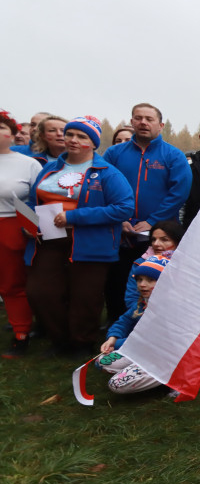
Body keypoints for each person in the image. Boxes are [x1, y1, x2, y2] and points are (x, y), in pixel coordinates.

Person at [24, 116, 134, 357]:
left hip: (89, 242)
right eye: (70, 134)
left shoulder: (107, 173)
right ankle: (59, 339)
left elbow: (124, 207)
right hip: (49, 240)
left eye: (82, 136)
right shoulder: (50, 169)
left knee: (85, 295)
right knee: (40, 291)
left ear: (93, 143)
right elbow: (34, 201)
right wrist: (30, 221)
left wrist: (74, 217)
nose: (73, 140)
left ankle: (81, 342)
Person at [103, 103, 192, 324]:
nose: (143, 122)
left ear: (160, 125)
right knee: (116, 280)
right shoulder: (114, 154)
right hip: (118, 229)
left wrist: (152, 222)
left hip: (157, 235)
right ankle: (117, 328)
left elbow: (179, 191)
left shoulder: (173, 155)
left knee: (154, 284)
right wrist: (120, 218)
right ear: (131, 122)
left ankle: (153, 327)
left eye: (149, 119)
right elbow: (102, 186)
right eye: (138, 118)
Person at [0, 110, 42, 358]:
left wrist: (34, 225)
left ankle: (21, 334)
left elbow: (39, 199)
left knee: (12, 284)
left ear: (13, 134)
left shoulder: (28, 163)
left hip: (12, 225)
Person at [99, 256, 171, 395]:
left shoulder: (172, 307)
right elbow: (124, 322)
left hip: (166, 358)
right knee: (103, 361)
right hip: (143, 352)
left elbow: (152, 341)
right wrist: (112, 339)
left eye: (150, 280)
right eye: (139, 279)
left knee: (116, 384)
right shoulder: (141, 304)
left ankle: (167, 380)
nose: (142, 284)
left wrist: (122, 344)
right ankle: (145, 376)